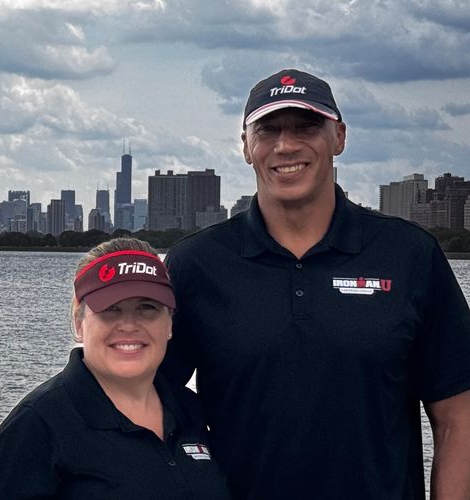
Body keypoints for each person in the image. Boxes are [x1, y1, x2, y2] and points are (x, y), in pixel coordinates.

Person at [162, 68, 470, 499]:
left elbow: (458, 414)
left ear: (339, 136)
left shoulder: (409, 255)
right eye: (268, 129)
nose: (286, 145)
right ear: (246, 147)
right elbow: (147, 403)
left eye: (307, 126)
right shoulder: (196, 264)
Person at [0, 238, 230, 499]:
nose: (129, 325)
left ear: (169, 324)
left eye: (147, 308)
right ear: (79, 323)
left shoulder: (189, 409)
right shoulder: (36, 427)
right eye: (110, 309)